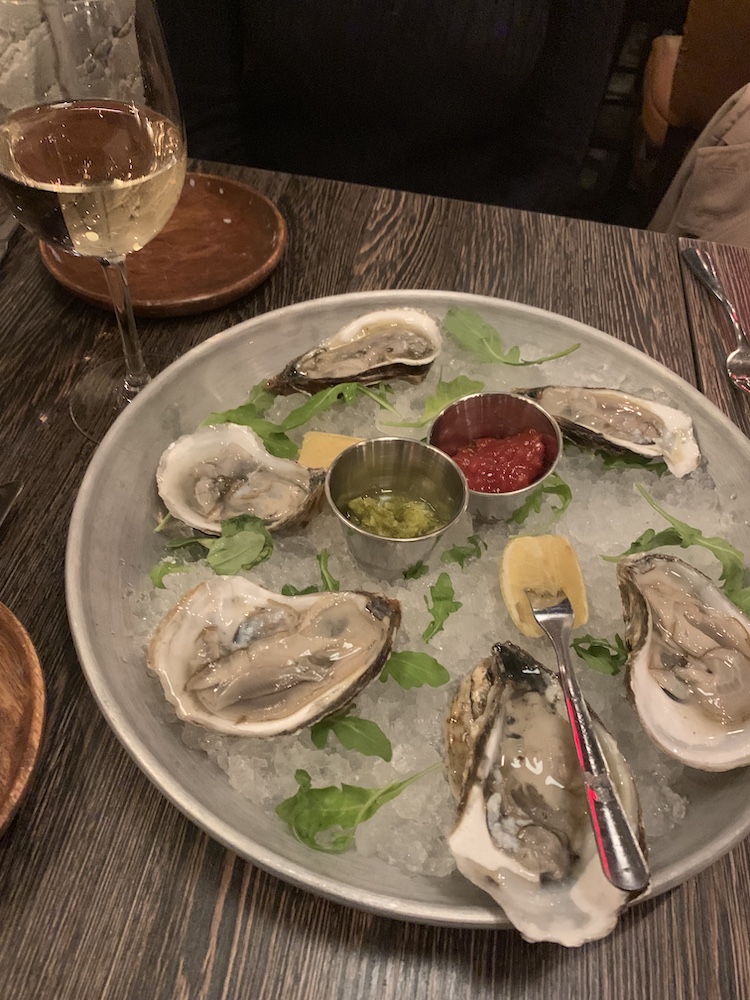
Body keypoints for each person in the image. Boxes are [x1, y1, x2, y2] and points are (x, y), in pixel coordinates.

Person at [156, 0, 625, 214]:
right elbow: (201, 117)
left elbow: (551, 154)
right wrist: (252, 233)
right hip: (269, 214)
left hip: (479, 229)